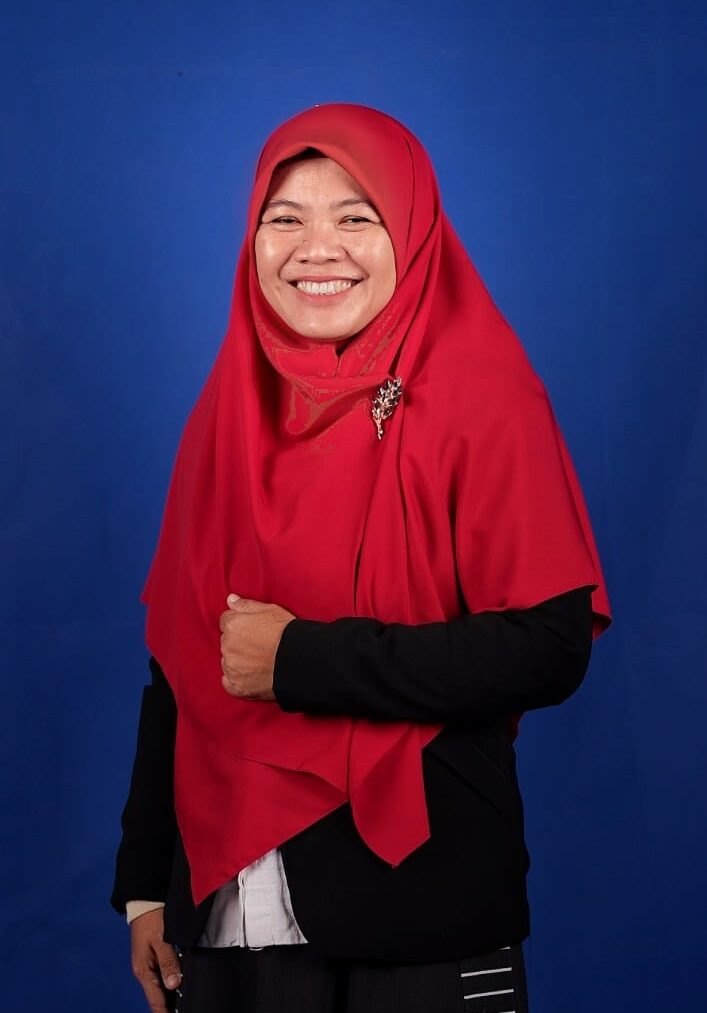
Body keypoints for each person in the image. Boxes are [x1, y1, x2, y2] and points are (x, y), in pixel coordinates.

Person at [111, 102, 612, 1013]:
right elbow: (177, 664)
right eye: (284, 218)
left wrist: (300, 660)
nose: (317, 249)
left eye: (355, 216)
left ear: (410, 230)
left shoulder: (484, 397)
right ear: (252, 237)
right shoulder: (226, 412)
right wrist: (147, 880)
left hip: (419, 910)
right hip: (225, 912)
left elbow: (549, 644)